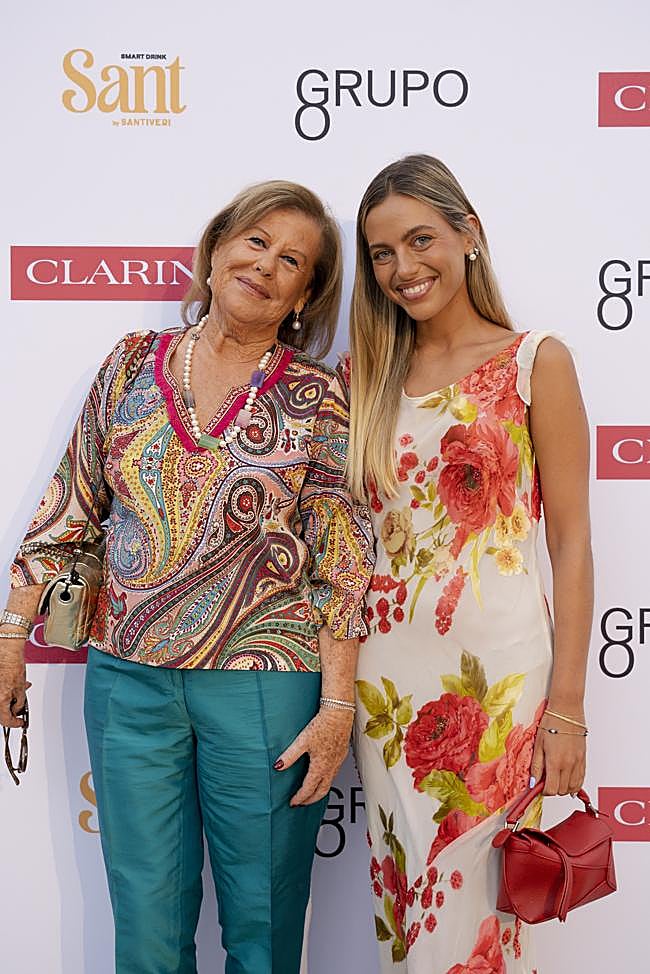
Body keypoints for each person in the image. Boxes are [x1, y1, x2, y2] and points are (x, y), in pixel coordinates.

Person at [0, 180, 374, 974]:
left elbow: (341, 556)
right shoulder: (132, 364)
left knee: (263, 925)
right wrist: (10, 636)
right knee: (144, 920)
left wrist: (337, 705)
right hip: (128, 680)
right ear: (217, 247)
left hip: (267, 688)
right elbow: (70, 506)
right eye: (255, 241)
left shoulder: (317, 397)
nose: (265, 266)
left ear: (306, 293)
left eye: (292, 260)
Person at [347, 155, 592, 972]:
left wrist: (566, 709)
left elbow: (571, 543)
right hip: (387, 685)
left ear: (469, 235)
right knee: (407, 901)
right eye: (382, 253)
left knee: (481, 915)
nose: (403, 268)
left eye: (421, 240)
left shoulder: (536, 361)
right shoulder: (366, 379)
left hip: (500, 680)